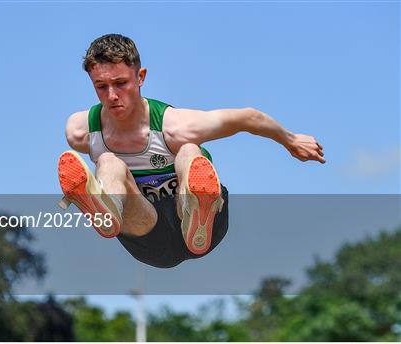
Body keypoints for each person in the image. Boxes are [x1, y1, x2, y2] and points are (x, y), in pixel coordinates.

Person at [58, 34, 325, 268]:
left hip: (202, 228)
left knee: (187, 150)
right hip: (148, 234)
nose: (112, 95)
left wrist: (291, 140)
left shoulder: (175, 125)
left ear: (141, 77)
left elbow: (247, 118)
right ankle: (107, 209)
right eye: (101, 87)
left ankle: (197, 207)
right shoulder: (83, 131)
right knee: (108, 162)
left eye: (121, 83)